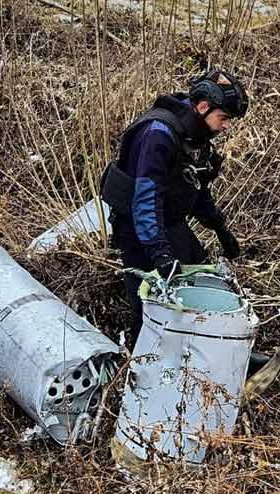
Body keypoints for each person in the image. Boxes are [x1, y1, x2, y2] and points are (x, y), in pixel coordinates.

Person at [101, 69, 247, 340]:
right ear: (203, 107)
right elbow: (144, 201)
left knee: (204, 285)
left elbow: (194, 187)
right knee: (150, 307)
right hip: (137, 230)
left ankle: (212, 352)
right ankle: (143, 367)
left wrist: (219, 227)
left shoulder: (197, 136)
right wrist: (161, 256)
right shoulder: (158, 136)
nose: (227, 126)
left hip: (170, 221)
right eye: (224, 118)